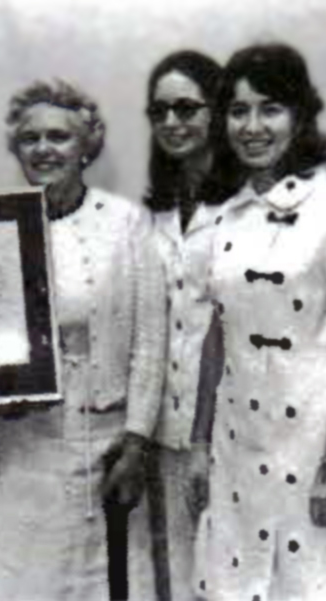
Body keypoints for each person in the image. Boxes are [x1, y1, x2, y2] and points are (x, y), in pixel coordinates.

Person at [0, 79, 167, 601]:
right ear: (16, 148)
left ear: (85, 146)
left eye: (59, 136)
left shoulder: (127, 225)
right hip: (19, 447)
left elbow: (150, 341)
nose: (45, 149)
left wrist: (137, 441)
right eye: (31, 138)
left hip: (109, 445)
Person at [193, 43, 326, 601]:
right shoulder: (220, 216)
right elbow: (215, 337)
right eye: (238, 110)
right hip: (238, 447)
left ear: (299, 116)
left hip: (314, 442)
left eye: (270, 109)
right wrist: (202, 444)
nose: (252, 127)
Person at [142, 50, 231, 601]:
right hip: (166, 433)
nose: (172, 122)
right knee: (177, 578)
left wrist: (203, 440)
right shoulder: (155, 213)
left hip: (230, 429)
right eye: (159, 111)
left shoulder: (248, 207)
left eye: (186, 107)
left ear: (216, 110)